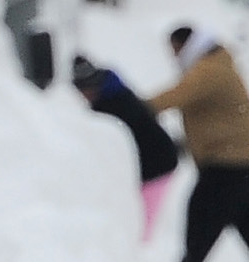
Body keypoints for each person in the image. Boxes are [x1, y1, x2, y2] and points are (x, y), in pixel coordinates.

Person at [146, 25, 249, 262]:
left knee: (202, 212)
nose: (173, 57)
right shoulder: (217, 62)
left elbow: (177, 96)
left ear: (184, 45)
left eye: (174, 50)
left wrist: (136, 109)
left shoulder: (209, 68)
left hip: (232, 160)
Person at [72, 50, 184, 239]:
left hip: (156, 167)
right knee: (135, 226)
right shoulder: (114, 91)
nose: (84, 97)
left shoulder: (111, 107)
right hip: (157, 161)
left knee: (139, 231)